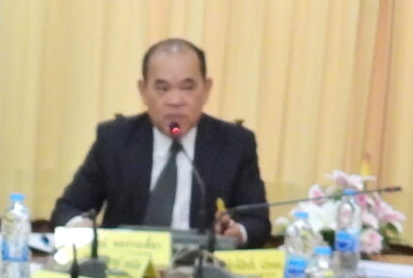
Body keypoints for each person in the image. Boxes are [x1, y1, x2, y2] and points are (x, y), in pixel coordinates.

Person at [50, 38, 270, 245]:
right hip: (126, 266)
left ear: (206, 89)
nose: (175, 100)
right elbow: (67, 209)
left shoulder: (235, 144)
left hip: (202, 266)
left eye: (187, 87)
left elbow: (257, 221)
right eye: (162, 88)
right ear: (143, 90)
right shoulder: (114, 140)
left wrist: (238, 232)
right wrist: (80, 227)